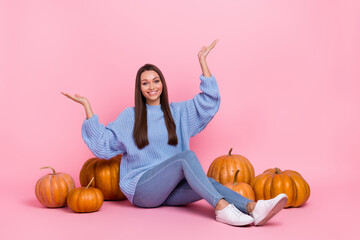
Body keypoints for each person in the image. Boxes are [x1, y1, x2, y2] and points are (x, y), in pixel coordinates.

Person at [61, 39, 288, 227]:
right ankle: (221, 209)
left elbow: (209, 103)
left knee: (206, 182)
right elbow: (103, 145)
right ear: (139, 88)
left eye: (156, 80)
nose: (152, 87)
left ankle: (254, 208)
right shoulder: (130, 116)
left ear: (162, 83)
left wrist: (202, 62)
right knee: (186, 157)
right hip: (142, 191)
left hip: (169, 191)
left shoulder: (177, 112)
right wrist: (88, 109)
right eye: (145, 83)